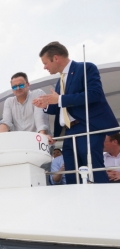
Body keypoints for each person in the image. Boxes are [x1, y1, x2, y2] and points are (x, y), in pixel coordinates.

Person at [32, 41, 119, 184]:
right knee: (72, 170)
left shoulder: (86, 68)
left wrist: (60, 98)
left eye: (45, 63)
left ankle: (104, 202)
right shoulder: (60, 81)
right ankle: (76, 202)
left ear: (56, 58)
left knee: (92, 167)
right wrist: (46, 104)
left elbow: (94, 94)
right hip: (69, 131)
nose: (44, 67)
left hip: (88, 127)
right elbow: (61, 106)